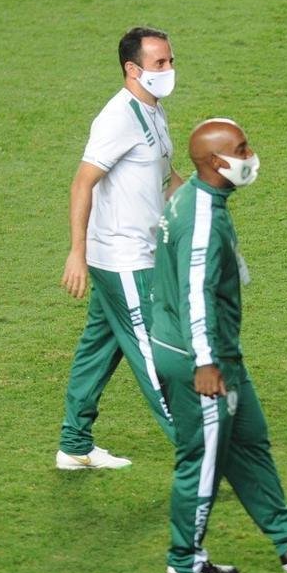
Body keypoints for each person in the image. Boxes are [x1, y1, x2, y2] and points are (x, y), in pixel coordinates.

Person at [150, 119, 287, 573]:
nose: (250, 155)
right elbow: (196, 295)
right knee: (201, 464)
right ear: (216, 162)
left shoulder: (202, 199)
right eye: (241, 149)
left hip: (218, 353)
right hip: (199, 358)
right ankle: (184, 565)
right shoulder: (200, 219)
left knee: (249, 441)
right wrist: (205, 363)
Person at [54, 27, 184, 470]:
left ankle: (74, 444)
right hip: (123, 258)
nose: (169, 70)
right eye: (160, 63)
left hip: (141, 252)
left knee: (99, 346)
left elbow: (167, 179)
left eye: (170, 60)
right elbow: (82, 183)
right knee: (155, 352)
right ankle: (199, 455)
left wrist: (209, 212)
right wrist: (77, 252)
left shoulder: (154, 110)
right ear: (133, 69)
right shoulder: (118, 118)